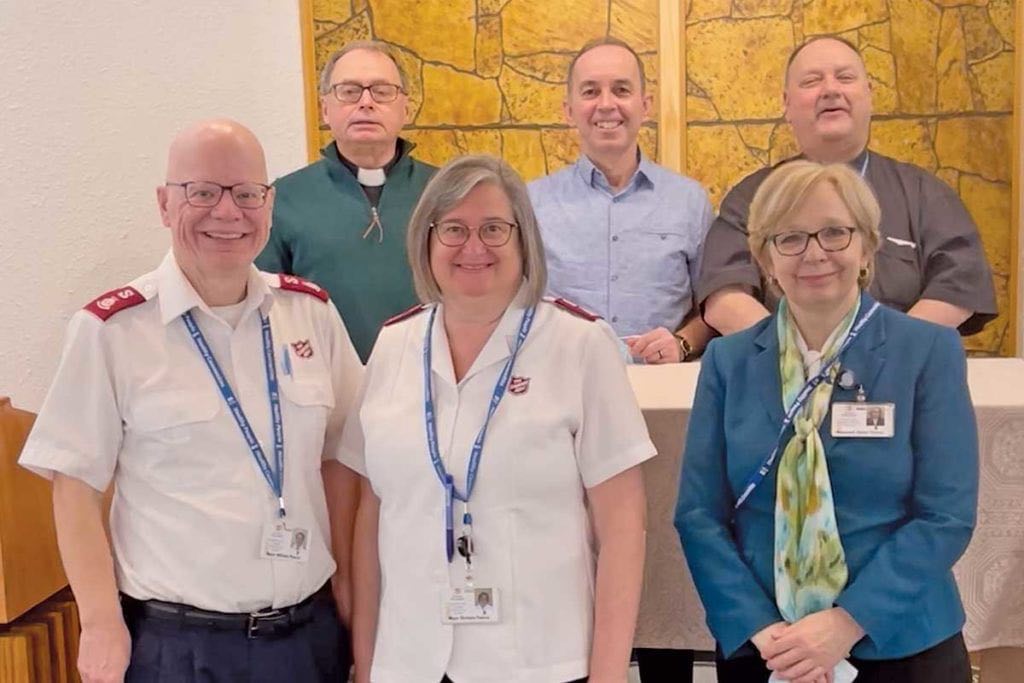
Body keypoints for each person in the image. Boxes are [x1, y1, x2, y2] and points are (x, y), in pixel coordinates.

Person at [19, 119, 364, 683]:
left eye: (247, 194)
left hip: (309, 638)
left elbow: (344, 459)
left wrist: (349, 588)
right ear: (163, 203)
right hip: (178, 648)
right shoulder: (112, 330)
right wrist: (101, 621)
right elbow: (75, 488)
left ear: (269, 204)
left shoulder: (312, 315)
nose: (227, 213)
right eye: (202, 193)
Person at [340, 155, 655, 683]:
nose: (474, 247)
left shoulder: (579, 344)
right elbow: (371, 520)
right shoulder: (393, 346)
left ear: (523, 239)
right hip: (410, 660)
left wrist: (608, 674)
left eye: (493, 228)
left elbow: (624, 526)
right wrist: (368, 664)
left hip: (539, 661)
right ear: (426, 240)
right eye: (454, 230)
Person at [676, 161, 978, 683]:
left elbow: (945, 515)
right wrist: (764, 629)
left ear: (867, 246)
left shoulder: (926, 351)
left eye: (835, 232)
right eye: (789, 237)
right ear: (765, 257)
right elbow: (699, 514)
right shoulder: (728, 362)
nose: (814, 253)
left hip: (900, 642)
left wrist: (844, 624)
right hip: (769, 649)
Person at [697, 35, 997, 337]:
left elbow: (960, 285)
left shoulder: (924, 194)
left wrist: (886, 352)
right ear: (787, 105)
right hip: (783, 377)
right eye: (812, 81)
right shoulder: (750, 199)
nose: (830, 90)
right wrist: (800, 359)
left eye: (845, 77)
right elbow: (724, 298)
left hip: (898, 374)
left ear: (869, 94)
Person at [529, 37, 714, 366]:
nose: (606, 104)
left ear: (646, 105)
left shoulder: (689, 201)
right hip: (561, 391)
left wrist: (682, 343)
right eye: (590, 91)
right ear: (568, 111)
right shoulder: (531, 203)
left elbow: (713, 310)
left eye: (621, 90)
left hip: (662, 392)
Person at [256, 40, 437, 362]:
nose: (366, 103)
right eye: (349, 91)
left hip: (429, 380)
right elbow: (264, 309)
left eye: (382, 91)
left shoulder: (446, 193)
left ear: (406, 109)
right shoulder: (282, 200)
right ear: (325, 109)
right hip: (323, 384)